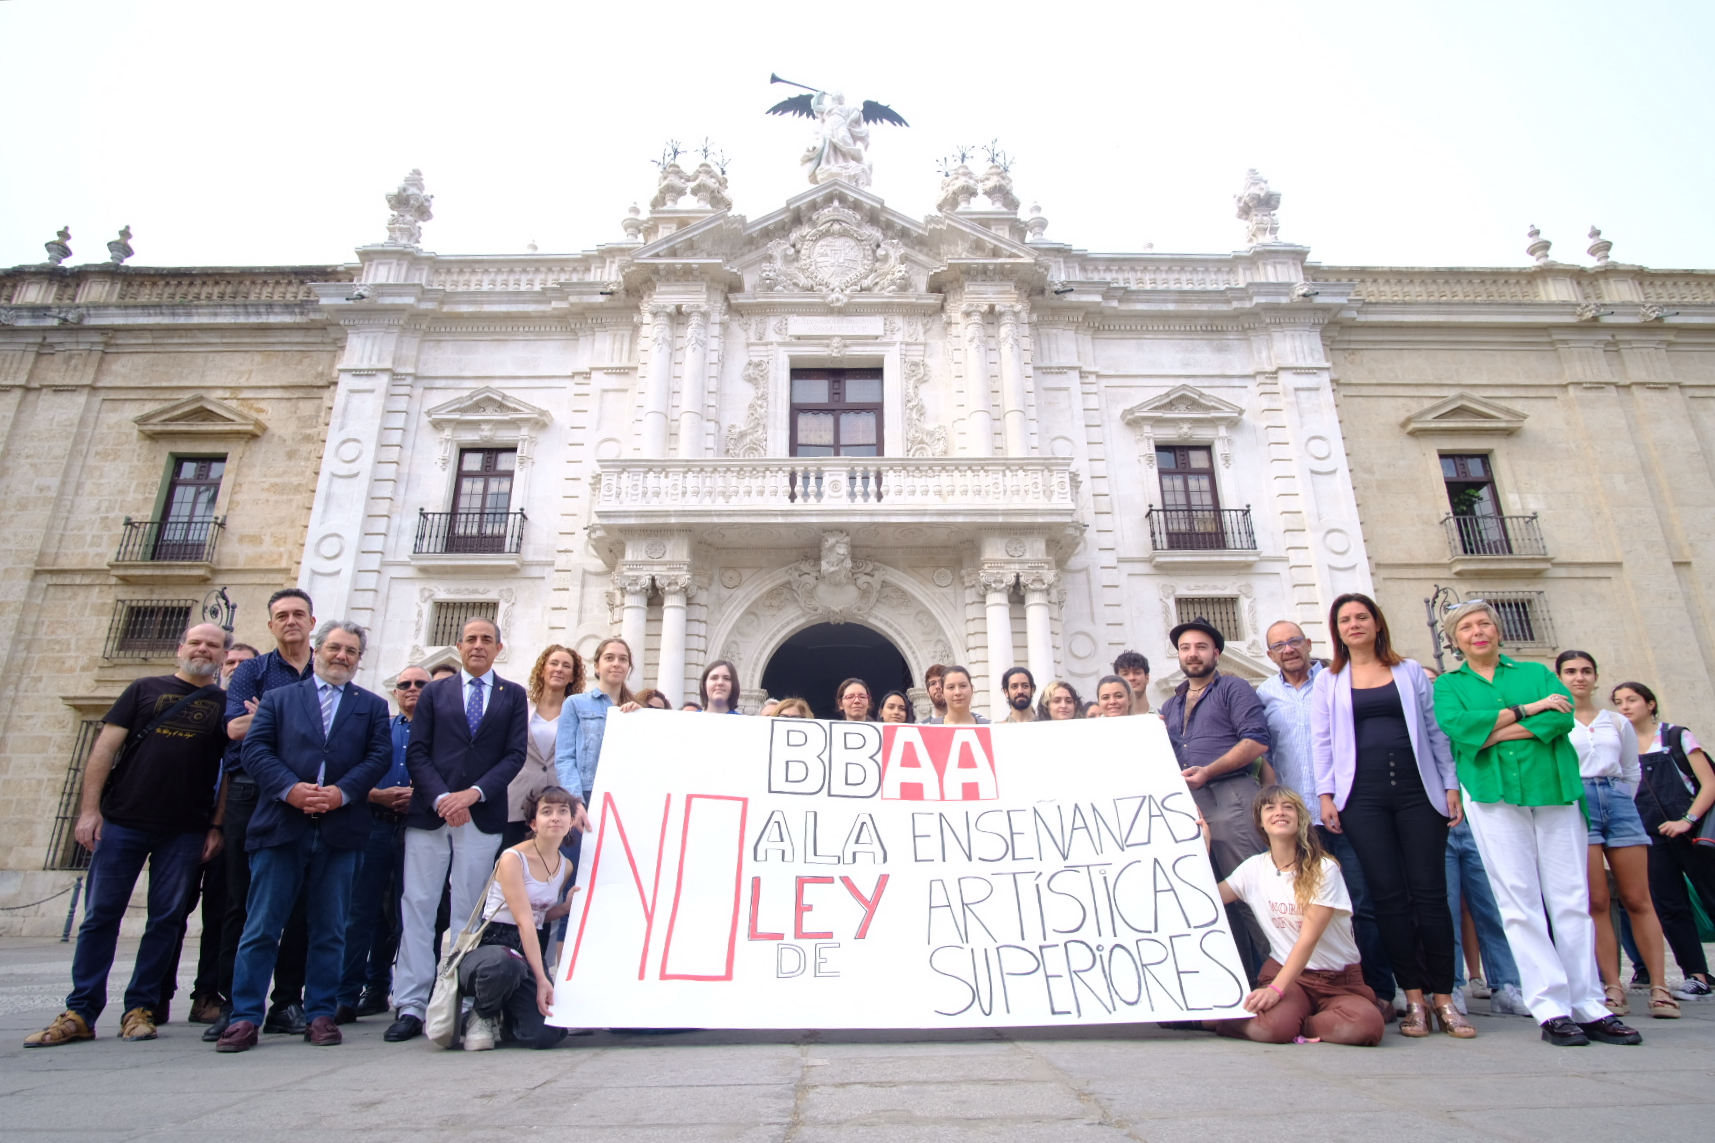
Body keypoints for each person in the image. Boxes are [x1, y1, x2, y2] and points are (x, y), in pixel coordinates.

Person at [1433, 600, 1640, 1047]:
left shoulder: (1538, 673)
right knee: (1517, 900)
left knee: (1570, 898)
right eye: (1466, 627)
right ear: (1455, 640)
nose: (1477, 632)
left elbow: (1561, 717)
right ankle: (1549, 1007)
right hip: (1492, 792)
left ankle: (1588, 1003)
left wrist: (1494, 729)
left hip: (1554, 789)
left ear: (1498, 630)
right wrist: (1528, 712)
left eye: (1484, 623)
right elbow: (1458, 729)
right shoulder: (1449, 685)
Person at [25, 624, 230, 1048]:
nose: (203, 649)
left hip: (185, 829)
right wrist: (88, 811)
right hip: (122, 822)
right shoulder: (143, 689)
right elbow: (104, 749)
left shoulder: (224, 704)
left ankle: (140, 1009)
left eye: (213, 644)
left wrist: (215, 824)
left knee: (166, 921)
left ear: (223, 656)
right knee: (100, 917)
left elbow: (229, 770)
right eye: (196, 642)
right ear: (181, 649)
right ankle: (81, 1009)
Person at [216, 620, 392, 1052]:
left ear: (358, 659)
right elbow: (255, 750)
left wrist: (342, 792)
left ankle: (320, 1014)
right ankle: (244, 1017)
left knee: (331, 928)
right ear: (317, 651)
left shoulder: (369, 706)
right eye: (334, 648)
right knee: (261, 926)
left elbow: (379, 755)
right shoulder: (278, 699)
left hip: (339, 829)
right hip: (282, 826)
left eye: (351, 651)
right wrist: (291, 790)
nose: (341, 656)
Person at [1310, 593, 1471, 1038]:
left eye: (1362, 617)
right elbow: (1321, 740)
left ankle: (1445, 998)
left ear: (1377, 624)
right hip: (1362, 797)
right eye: (1345, 620)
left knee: (1431, 896)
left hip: (1419, 793)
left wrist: (1451, 784)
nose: (1354, 624)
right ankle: (1414, 998)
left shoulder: (1410, 670)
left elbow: (1436, 731)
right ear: (1337, 631)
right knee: (1388, 898)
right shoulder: (1329, 679)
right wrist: (1326, 794)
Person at [387, 618, 529, 1043]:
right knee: (419, 905)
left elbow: (513, 756)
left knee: (471, 912)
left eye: (487, 639)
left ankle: (462, 1000)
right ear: (459, 645)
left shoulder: (513, 696)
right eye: (471, 639)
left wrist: (471, 795)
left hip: (480, 815)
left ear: (499, 648)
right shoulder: (434, 692)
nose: (479, 646)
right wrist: (441, 799)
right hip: (431, 815)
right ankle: (411, 1003)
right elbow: (418, 753)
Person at [1257, 619, 1396, 1019]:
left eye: (1294, 641)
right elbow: (1265, 756)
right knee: (1299, 910)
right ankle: (1311, 989)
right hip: (1297, 824)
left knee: (1361, 903)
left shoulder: (1338, 682)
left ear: (1309, 644)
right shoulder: (1264, 695)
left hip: (1349, 811)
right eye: (1279, 645)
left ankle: (1378, 990)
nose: (1288, 650)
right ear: (1269, 655)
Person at [207, 588, 317, 1043]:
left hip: (309, 796)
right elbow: (234, 728)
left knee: (302, 904)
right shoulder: (251, 670)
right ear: (270, 625)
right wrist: (293, 712)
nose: (290, 621)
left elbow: (336, 726)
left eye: (298, 614)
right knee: (242, 901)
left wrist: (268, 714)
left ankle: (288, 1001)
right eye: (281, 616)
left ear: (312, 621)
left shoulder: (325, 666)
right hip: (251, 794)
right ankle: (234, 1003)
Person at [1204, 786, 1385, 1047]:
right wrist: (1203, 847)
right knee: (1271, 1030)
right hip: (1288, 977)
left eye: (1288, 807)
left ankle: (1299, 1023)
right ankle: (1265, 1021)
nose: (1279, 812)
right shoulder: (1253, 869)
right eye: (1270, 808)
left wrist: (1276, 992)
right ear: (1260, 822)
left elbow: (1308, 938)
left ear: (1301, 819)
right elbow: (1207, 898)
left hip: (1337, 980)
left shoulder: (1325, 869)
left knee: (1367, 1027)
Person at [1559, 653, 1674, 1018]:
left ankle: (1659, 987)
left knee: (1639, 898)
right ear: (1559, 678)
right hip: (1579, 801)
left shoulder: (1617, 722)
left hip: (1617, 800)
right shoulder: (1556, 722)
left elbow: (1630, 769)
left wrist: (1620, 799)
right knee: (1597, 901)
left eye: (1586, 672)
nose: (1579, 678)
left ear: (1595, 678)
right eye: (1571, 672)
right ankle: (1612, 985)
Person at [1160, 616, 1271, 982]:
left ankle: (1281, 979)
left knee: (1251, 891)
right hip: (1191, 807)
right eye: (1185, 648)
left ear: (1217, 653)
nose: (1193, 654)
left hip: (1233, 797)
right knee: (1209, 897)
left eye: (1201, 647)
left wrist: (1209, 770)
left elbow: (1255, 740)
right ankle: (1235, 981)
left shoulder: (1234, 689)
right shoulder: (1172, 703)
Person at [170, 641, 259, 1025]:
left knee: (223, 913)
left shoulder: (250, 713)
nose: (237, 668)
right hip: (182, 823)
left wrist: (219, 824)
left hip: (226, 823)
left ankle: (210, 993)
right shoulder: (206, 709)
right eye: (233, 662)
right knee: (170, 914)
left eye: (244, 664)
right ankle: (153, 995)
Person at [1612, 679, 1715, 1002]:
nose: (1625, 707)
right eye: (1619, 702)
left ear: (1650, 704)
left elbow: (1709, 783)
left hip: (1693, 834)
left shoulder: (1676, 736)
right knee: (1670, 907)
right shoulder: (1618, 745)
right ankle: (1696, 975)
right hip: (1648, 836)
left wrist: (1686, 821)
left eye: (1632, 700)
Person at [335, 665, 426, 1024]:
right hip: (374, 825)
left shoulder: (437, 733)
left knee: (411, 913)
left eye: (421, 684)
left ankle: (406, 994)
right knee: (361, 911)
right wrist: (375, 795)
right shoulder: (379, 729)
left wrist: (420, 797)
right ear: (395, 691)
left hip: (418, 827)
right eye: (405, 684)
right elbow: (353, 773)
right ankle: (349, 992)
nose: (412, 689)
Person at [458, 786, 580, 1051]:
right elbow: (524, 920)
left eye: (563, 811)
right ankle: (482, 1013)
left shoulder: (565, 865)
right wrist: (542, 978)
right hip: (492, 948)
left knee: (548, 1034)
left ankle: (509, 1016)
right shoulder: (513, 858)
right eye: (547, 812)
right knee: (504, 964)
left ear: (572, 821)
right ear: (533, 823)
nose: (556, 817)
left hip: (526, 951)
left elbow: (538, 915)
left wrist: (565, 908)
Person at [506, 646, 583, 849]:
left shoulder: (578, 712)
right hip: (517, 798)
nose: (559, 669)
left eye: (566, 666)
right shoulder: (522, 705)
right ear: (542, 670)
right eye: (554, 663)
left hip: (558, 802)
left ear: (573, 676)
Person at [555, 636, 640, 815]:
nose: (616, 663)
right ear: (596, 666)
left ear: (629, 668)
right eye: (609, 658)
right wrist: (575, 801)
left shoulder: (638, 710)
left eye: (623, 659)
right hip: (585, 796)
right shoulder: (575, 704)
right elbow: (564, 758)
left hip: (625, 798)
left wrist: (640, 718)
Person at [1113, 651, 1153, 715]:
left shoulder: (1163, 717)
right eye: (1125, 674)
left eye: (1137, 672)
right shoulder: (1104, 721)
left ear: (1147, 678)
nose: (1132, 678)